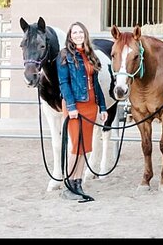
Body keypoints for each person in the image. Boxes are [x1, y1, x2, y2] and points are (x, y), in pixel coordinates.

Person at [55, 22, 108, 202]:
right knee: (76, 145)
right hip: (75, 106)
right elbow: (64, 83)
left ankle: (77, 182)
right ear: (70, 36)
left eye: (80, 32)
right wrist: (71, 107)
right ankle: (68, 184)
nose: (78, 35)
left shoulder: (89, 55)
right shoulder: (64, 56)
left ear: (85, 35)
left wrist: (102, 106)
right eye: (74, 32)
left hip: (91, 106)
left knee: (85, 148)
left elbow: (96, 84)